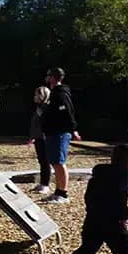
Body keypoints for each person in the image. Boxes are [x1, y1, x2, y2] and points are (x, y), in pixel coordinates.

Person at [41, 67, 80, 204]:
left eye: (48, 75)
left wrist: (73, 128)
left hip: (60, 132)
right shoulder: (53, 93)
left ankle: (63, 193)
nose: (46, 77)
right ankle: (58, 191)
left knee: (59, 162)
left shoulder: (61, 93)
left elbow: (67, 111)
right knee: (55, 162)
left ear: (53, 77)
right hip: (53, 132)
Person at [28, 83, 51, 194]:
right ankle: (42, 183)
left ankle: (46, 184)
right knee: (41, 160)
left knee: (45, 161)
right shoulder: (39, 108)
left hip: (44, 138)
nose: (34, 97)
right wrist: (32, 137)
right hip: (38, 137)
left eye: (36, 95)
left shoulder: (46, 108)